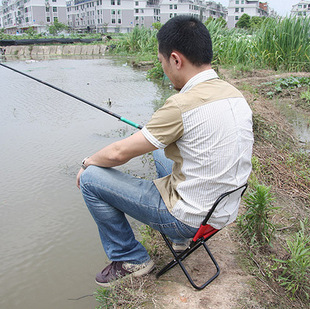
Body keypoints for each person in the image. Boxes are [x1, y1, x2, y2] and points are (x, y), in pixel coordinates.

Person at [76, 15, 253, 287]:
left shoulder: (182, 105)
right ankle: (180, 243)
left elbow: (118, 154)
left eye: (161, 63)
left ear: (175, 59)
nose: (163, 69)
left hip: (191, 219)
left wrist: (87, 162)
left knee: (90, 180)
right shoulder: (233, 94)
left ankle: (130, 258)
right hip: (224, 210)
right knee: (160, 153)